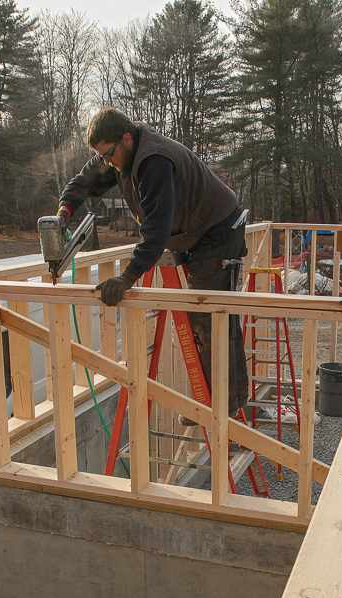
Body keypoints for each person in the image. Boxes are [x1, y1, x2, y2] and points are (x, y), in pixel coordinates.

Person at [56, 106, 249, 417]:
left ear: (127, 139)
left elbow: (155, 229)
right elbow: (85, 180)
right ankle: (215, 401)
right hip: (191, 232)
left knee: (210, 318)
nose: (106, 162)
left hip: (217, 230)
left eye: (108, 154)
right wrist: (64, 212)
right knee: (201, 318)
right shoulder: (118, 153)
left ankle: (224, 410)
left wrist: (128, 276)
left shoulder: (154, 160)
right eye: (102, 156)